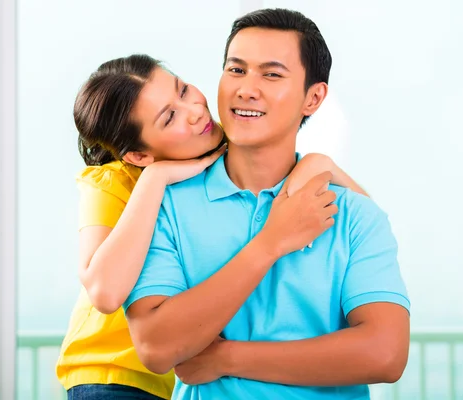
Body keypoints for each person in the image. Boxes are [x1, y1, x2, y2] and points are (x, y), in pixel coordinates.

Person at [123, 8, 410, 400]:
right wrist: (271, 242)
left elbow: (386, 354)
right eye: (236, 70)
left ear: (314, 97)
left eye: (271, 74)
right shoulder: (165, 207)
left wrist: (227, 359)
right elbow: (156, 348)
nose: (246, 89)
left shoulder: (355, 215)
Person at [56, 53, 369, 399]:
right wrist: (155, 178)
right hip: (114, 377)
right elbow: (104, 292)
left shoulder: (227, 162)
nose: (194, 110)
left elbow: (367, 226)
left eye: (183, 89)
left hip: (190, 378)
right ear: (138, 156)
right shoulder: (116, 182)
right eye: (170, 116)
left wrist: (320, 163)